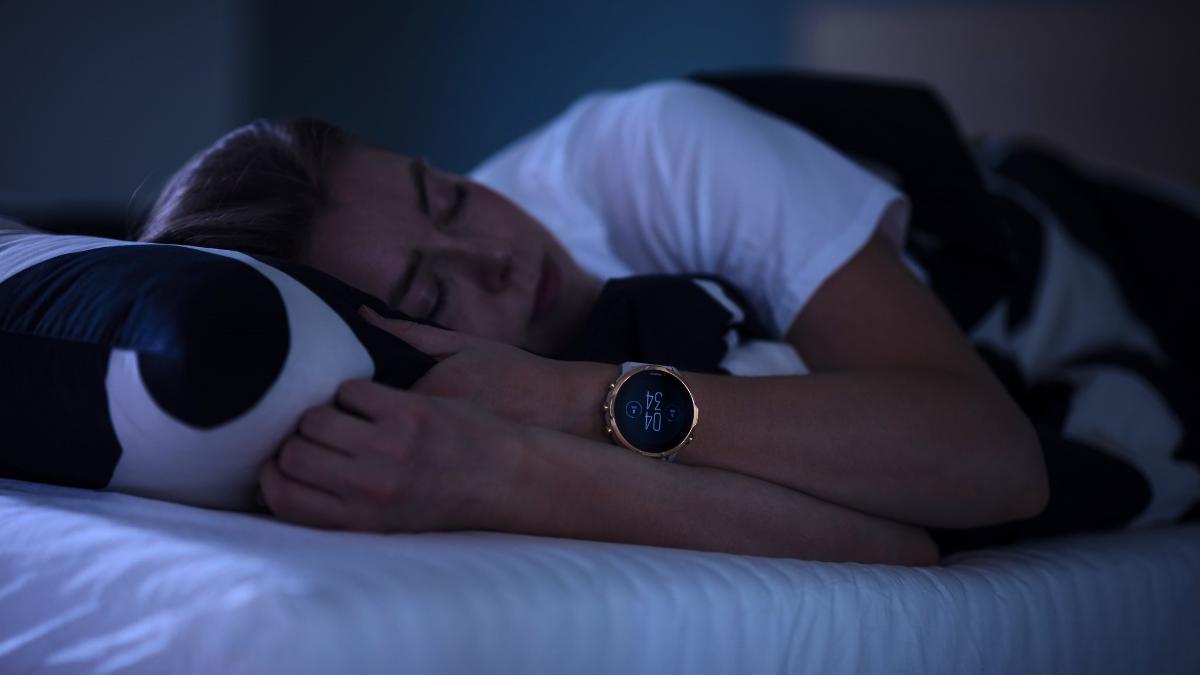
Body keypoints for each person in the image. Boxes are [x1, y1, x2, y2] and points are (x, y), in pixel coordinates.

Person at [137, 78, 1126, 565]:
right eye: (434, 298)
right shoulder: (420, 396)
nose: (498, 255)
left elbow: (993, 461)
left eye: (448, 195)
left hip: (1104, 253)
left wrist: (568, 399)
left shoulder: (653, 149)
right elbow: (899, 544)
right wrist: (515, 469)